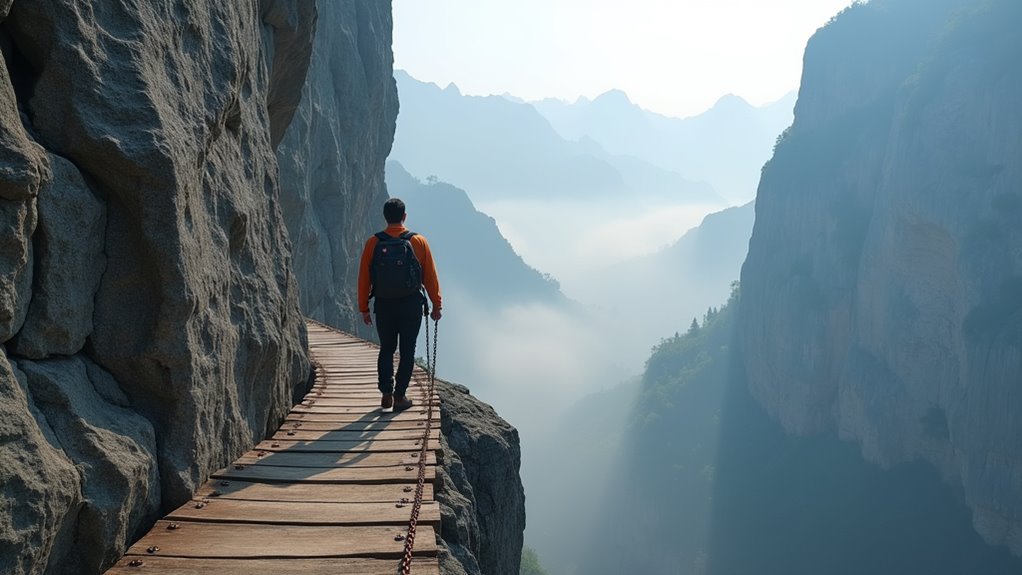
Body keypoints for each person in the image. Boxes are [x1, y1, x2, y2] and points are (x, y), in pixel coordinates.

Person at [357, 198, 442, 413]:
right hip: (410, 304)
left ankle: (386, 393)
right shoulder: (419, 242)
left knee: (386, 348)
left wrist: (364, 308)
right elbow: (430, 277)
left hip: (384, 304)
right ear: (404, 216)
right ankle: (400, 396)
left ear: (386, 217)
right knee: (407, 350)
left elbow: (364, 279)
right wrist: (436, 306)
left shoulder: (373, 243)